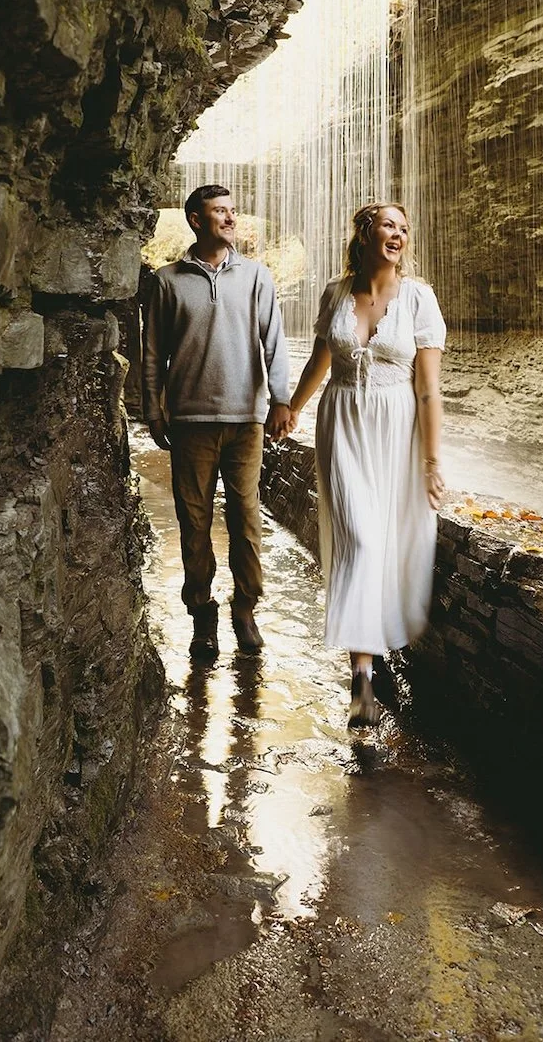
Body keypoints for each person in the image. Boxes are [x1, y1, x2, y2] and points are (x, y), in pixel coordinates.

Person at [286, 202, 445, 728]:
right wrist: (292, 407)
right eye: (388, 226)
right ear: (366, 234)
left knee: (389, 542)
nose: (397, 234)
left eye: (404, 228)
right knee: (361, 539)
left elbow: (428, 390)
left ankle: (371, 657)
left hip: (397, 428)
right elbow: (320, 360)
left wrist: (430, 461)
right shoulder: (337, 293)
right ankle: (362, 675)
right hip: (342, 422)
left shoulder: (419, 298)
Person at [142, 184, 292, 660]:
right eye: (219, 212)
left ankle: (245, 609)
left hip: (246, 419)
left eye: (232, 211)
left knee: (246, 521)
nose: (230, 219)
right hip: (190, 420)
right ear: (195, 219)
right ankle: (201, 613)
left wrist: (283, 400)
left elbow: (275, 342)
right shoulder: (167, 281)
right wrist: (153, 406)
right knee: (194, 523)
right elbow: (151, 353)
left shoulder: (257, 277)